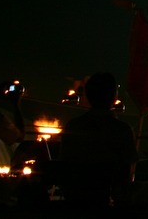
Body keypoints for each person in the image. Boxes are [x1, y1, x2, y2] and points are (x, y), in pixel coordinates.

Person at [56, 72, 138, 209]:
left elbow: (65, 162)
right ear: (113, 97)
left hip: (75, 195)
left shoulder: (74, 125)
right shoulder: (122, 130)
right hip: (105, 196)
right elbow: (125, 171)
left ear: (87, 96)